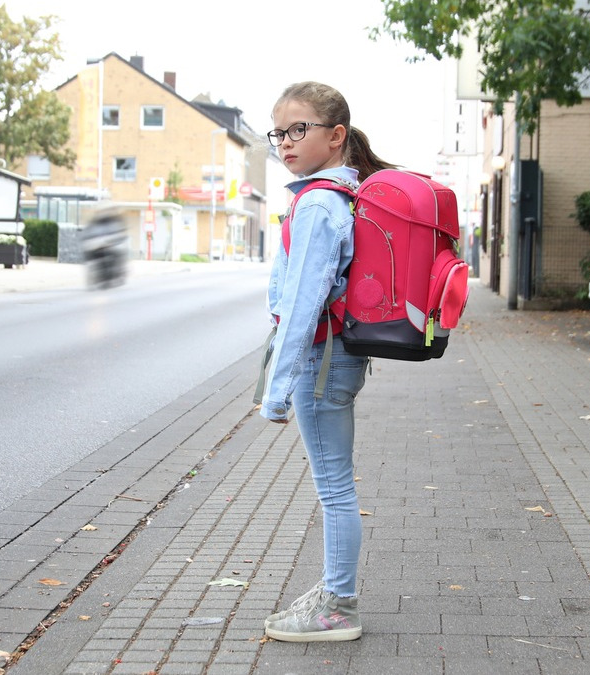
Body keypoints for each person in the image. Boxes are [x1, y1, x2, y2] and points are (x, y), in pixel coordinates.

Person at [259, 81, 396, 642]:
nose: (285, 142)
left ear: (335, 136)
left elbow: (299, 306)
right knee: (336, 484)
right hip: (336, 360)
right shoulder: (338, 194)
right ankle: (334, 594)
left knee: (335, 488)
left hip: (320, 363)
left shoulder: (317, 202)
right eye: (279, 132)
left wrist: (276, 388)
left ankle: (338, 607)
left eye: (298, 130)